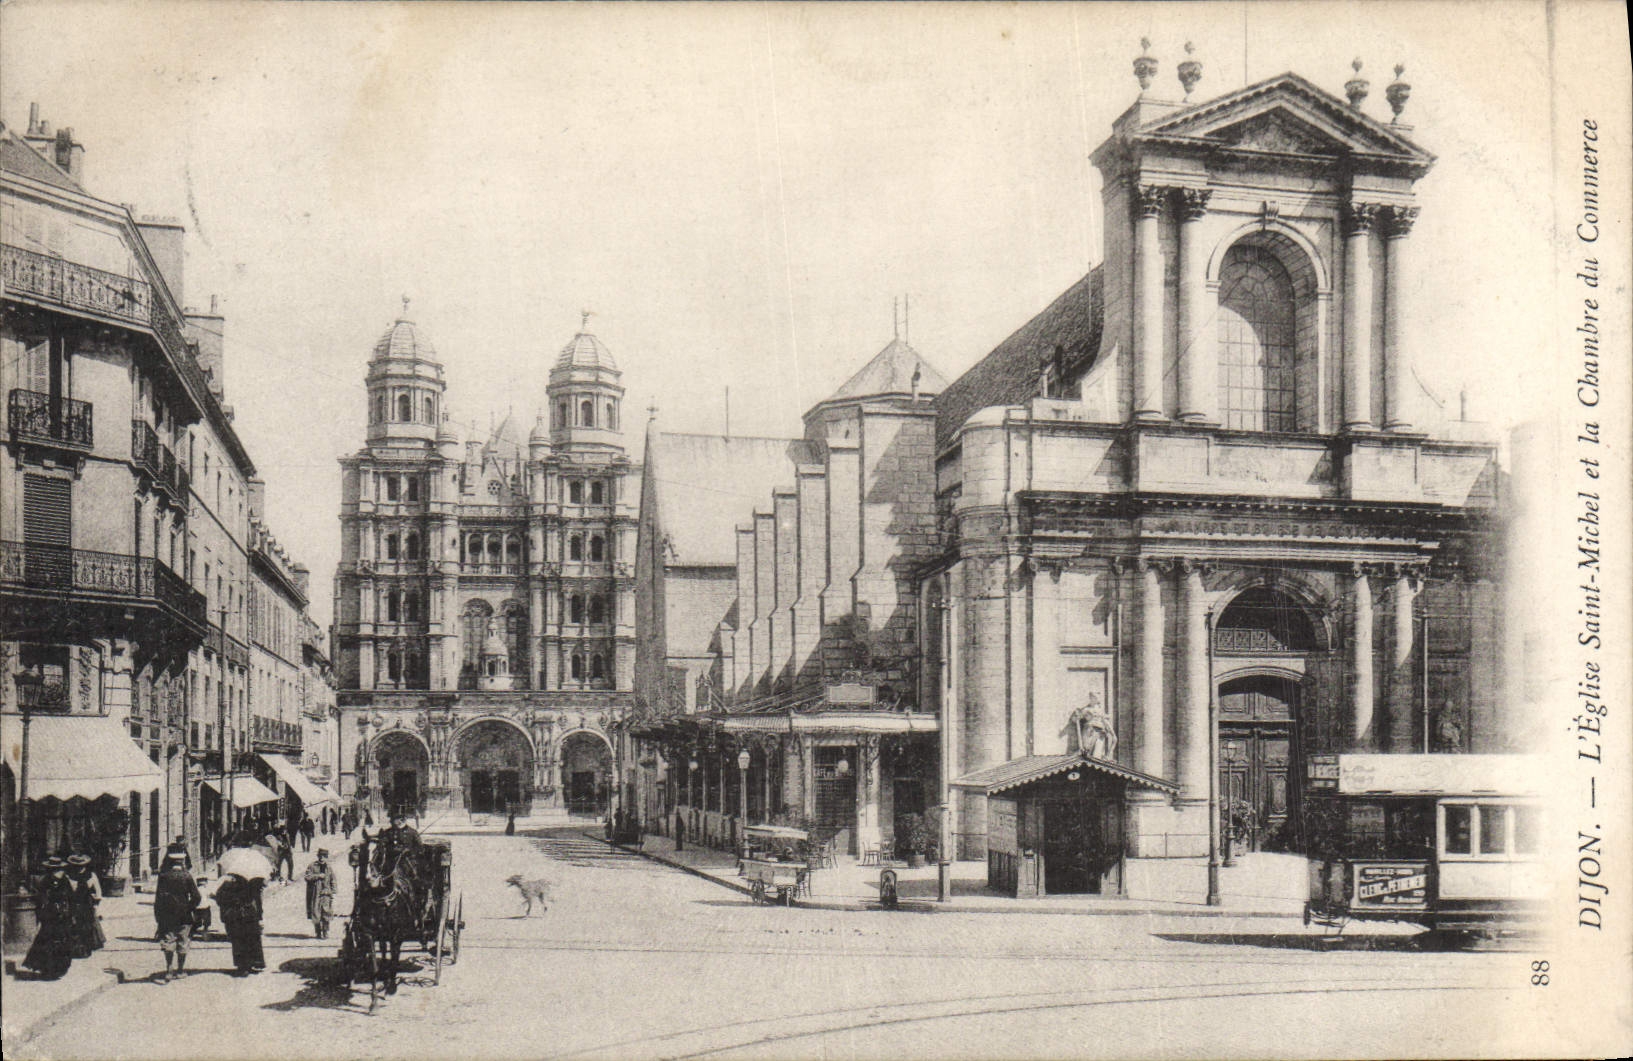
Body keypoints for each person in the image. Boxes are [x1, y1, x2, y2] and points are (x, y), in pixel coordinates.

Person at [22, 856, 76, 980]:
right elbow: (40, 900)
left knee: (62, 943)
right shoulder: (45, 882)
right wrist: (42, 915)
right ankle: (47, 969)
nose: (58, 872)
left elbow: (71, 899)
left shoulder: (65, 882)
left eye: (59, 870)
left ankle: (58, 969)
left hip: (63, 917)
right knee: (47, 942)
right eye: (55, 870)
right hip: (50, 917)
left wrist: (71, 914)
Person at [153, 846, 202, 982]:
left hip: (167, 914)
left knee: (169, 940)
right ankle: (180, 970)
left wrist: (158, 916)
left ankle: (169, 969)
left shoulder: (163, 876)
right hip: (184, 915)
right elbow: (197, 897)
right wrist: (189, 907)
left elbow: (158, 898)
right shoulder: (187, 876)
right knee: (183, 941)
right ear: (182, 861)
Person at [215, 873, 265, 975]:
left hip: (235, 917)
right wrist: (259, 916)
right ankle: (251, 964)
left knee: (238, 941)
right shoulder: (253, 885)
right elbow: (258, 902)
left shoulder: (227, 885)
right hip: (250, 915)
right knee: (251, 939)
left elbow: (219, 899)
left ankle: (242, 966)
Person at [66, 854, 105, 957]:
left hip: (86, 904)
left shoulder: (91, 876)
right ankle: (74, 950)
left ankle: (86, 949)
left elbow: (98, 892)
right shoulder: (68, 876)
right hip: (73, 904)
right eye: (76, 865)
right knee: (73, 926)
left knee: (86, 927)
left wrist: (96, 905)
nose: (79, 867)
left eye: (81, 865)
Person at [303, 848, 337, 938]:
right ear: (318, 856)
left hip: (326, 892)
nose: (322, 858)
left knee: (326, 911)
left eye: (324, 856)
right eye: (320, 856)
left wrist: (333, 890)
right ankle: (318, 932)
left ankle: (325, 932)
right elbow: (307, 877)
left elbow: (333, 879)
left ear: (326, 857)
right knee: (316, 912)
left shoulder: (328, 867)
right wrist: (317, 876)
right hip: (315, 893)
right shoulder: (312, 866)